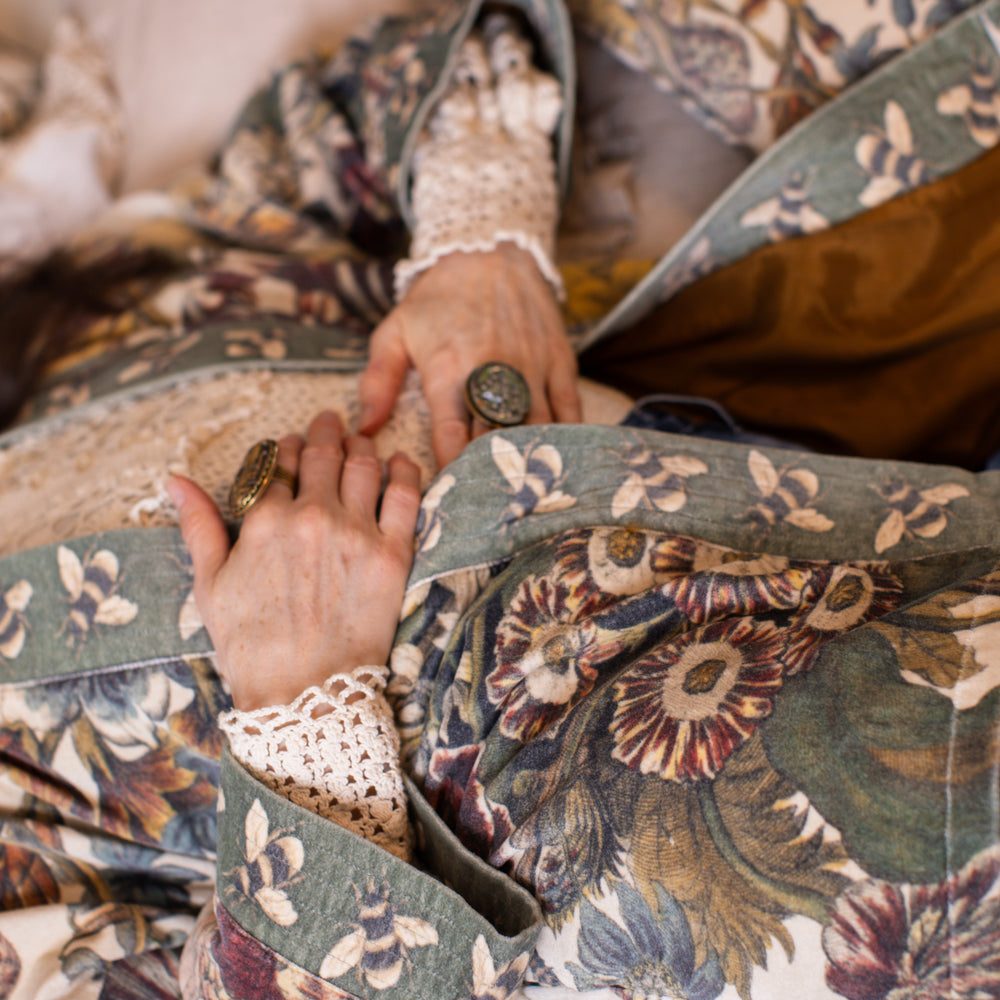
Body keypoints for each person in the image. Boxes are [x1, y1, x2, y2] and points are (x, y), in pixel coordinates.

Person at [1, 3, 1000, 1000]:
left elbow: (363, 102)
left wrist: (477, 250)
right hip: (505, 754)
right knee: (853, 848)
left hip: (662, 440)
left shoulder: (113, 300)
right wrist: (302, 719)